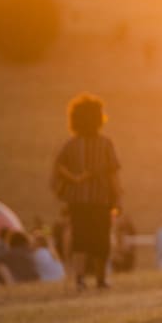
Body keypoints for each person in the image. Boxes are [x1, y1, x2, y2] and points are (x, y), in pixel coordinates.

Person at [52, 94, 122, 291]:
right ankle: (101, 279)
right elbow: (113, 175)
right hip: (101, 200)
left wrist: (75, 180)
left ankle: (80, 279)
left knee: (80, 239)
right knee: (101, 239)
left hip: (77, 202)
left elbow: (59, 169)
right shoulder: (105, 144)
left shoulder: (70, 145)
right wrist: (117, 199)